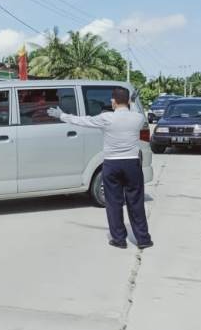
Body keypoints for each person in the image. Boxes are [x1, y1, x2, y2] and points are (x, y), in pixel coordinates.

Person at [47, 87, 154, 250]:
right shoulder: (138, 118)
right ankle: (143, 239)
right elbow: (131, 111)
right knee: (135, 202)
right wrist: (131, 101)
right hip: (132, 164)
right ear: (127, 101)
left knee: (114, 203)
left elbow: (83, 121)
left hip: (112, 164)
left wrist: (61, 115)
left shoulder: (106, 118)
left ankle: (119, 239)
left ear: (114, 101)